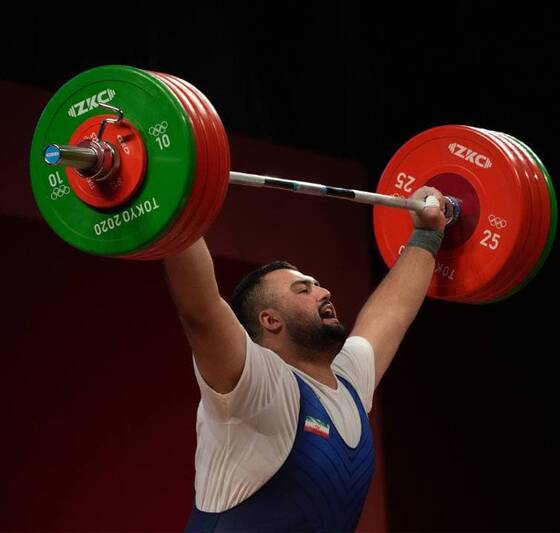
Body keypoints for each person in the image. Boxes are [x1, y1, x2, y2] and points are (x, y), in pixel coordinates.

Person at [164, 186, 447, 532]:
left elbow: (392, 313)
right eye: (303, 289)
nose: (324, 292)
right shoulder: (259, 386)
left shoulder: (347, 381)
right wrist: (172, 200)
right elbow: (202, 312)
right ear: (270, 320)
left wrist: (428, 235)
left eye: (317, 284)